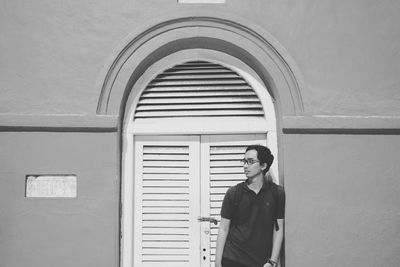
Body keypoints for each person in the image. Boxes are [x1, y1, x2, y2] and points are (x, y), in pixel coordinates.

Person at [215, 145, 285, 267]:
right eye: (244, 161)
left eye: (251, 162)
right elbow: (223, 228)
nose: (245, 166)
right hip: (232, 259)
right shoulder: (234, 192)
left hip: (261, 262)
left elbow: (278, 229)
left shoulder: (276, 193)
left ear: (263, 166)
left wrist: (272, 262)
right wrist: (217, 263)